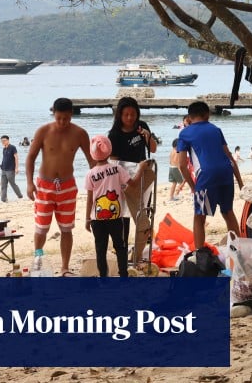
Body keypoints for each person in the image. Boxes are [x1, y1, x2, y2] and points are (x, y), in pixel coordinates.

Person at [26, 98, 95, 277]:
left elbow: (91, 161)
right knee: (41, 228)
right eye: (59, 118)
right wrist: (29, 183)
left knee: (66, 228)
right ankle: (38, 261)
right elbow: (30, 157)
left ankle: (65, 267)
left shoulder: (80, 133)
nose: (63, 122)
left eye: (66, 118)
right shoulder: (43, 131)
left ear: (71, 114)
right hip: (44, 186)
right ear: (53, 114)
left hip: (67, 186)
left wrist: (99, 182)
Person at [175, 101, 244, 251]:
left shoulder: (185, 133)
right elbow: (230, 158)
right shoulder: (215, 129)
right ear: (207, 115)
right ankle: (238, 249)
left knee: (199, 217)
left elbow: (181, 165)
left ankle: (200, 254)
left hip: (206, 177)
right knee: (228, 212)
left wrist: (193, 187)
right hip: (226, 173)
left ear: (189, 117)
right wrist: (240, 182)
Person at [107, 96, 158, 266]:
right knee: (124, 217)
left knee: (142, 214)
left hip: (143, 175)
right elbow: (113, 163)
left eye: (133, 114)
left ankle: (138, 252)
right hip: (125, 179)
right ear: (120, 115)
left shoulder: (142, 126)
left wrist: (148, 136)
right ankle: (122, 251)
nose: (130, 118)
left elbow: (153, 149)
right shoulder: (114, 134)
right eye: (126, 115)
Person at [84, 135, 130, 277]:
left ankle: (103, 277)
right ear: (109, 150)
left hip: (97, 218)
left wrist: (87, 219)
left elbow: (90, 199)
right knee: (120, 246)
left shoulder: (90, 174)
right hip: (115, 216)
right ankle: (123, 274)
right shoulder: (117, 169)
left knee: (100, 248)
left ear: (92, 154)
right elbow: (128, 185)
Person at [0, 135, 23, 202]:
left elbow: (16, 158)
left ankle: (20, 196)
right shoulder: (4, 149)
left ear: (8, 140)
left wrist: (16, 168)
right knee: (3, 185)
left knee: (12, 184)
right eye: (2, 141)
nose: (3, 142)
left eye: (4, 140)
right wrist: (2, 166)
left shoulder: (12, 148)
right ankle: (3, 199)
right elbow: (4, 159)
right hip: (4, 169)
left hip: (10, 170)